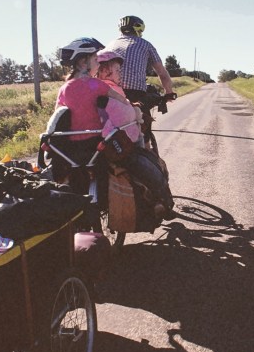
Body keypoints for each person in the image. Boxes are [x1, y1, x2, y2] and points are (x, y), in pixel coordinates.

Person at [95, 49, 175, 222]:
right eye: (117, 71)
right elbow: (122, 112)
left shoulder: (94, 88)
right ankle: (163, 201)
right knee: (146, 159)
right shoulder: (113, 88)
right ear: (106, 72)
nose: (119, 75)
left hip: (97, 139)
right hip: (119, 139)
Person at [53, 37, 129, 187]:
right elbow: (122, 101)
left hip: (71, 147)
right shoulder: (95, 84)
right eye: (95, 60)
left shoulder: (64, 88)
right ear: (83, 63)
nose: (98, 64)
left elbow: (57, 117)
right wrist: (131, 106)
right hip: (94, 144)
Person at [104, 15, 176, 149]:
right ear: (138, 29)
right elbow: (162, 74)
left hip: (107, 94)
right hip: (135, 95)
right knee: (144, 134)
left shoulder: (110, 44)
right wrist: (169, 92)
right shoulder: (145, 44)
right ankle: (146, 151)